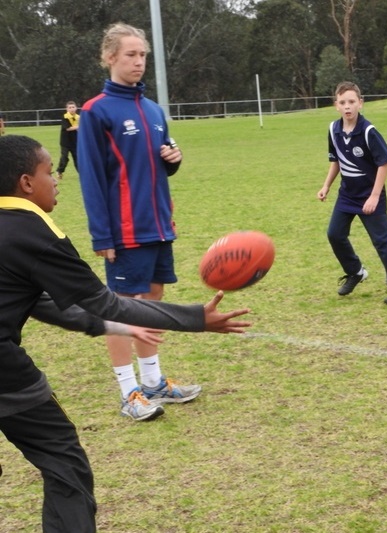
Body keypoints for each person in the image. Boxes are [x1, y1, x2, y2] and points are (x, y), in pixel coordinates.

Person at [0, 133, 251, 532]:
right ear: (26, 184)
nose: (57, 180)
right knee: (63, 460)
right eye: (50, 172)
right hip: (6, 376)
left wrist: (113, 326)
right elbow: (107, 302)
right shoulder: (34, 232)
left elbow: (40, 302)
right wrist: (195, 318)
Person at [77, 23, 196, 421]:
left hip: (159, 225)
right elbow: (92, 178)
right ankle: (129, 393)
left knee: (153, 307)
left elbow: (158, 165)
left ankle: (154, 382)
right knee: (121, 312)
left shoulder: (153, 109)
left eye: (143, 55)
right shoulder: (96, 111)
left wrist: (173, 162)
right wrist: (102, 236)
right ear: (110, 57)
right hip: (124, 232)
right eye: (130, 54)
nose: (139, 61)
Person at [317, 81, 387, 305]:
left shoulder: (369, 131)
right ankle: (355, 271)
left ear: (361, 103)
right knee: (334, 235)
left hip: (370, 195)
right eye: (342, 102)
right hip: (347, 195)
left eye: (351, 102)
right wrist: (326, 186)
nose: (347, 106)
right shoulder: (334, 129)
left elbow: (384, 163)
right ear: (336, 105)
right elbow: (336, 160)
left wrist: (375, 196)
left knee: (382, 241)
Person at [55, 101, 79, 179]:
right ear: (67, 109)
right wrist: (78, 127)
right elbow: (67, 128)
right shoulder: (65, 117)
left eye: (73, 107)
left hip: (75, 142)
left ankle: (82, 173)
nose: (71, 109)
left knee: (77, 158)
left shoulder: (79, 117)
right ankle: (59, 171)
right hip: (65, 142)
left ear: (76, 108)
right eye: (70, 107)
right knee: (64, 157)